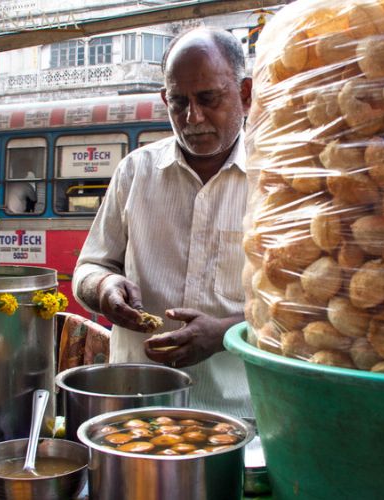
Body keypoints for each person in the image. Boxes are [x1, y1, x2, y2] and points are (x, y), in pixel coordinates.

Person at [73, 27, 253, 417]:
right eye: (178, 102)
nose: (193, 117)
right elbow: (88, 268)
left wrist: (225, 333)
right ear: (164, 100)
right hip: (135, 405)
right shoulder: (135, 172)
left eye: (208, 99)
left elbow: (299, 310)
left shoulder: (276, 181)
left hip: (238, 414)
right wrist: (104, 288)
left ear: (245, 94)